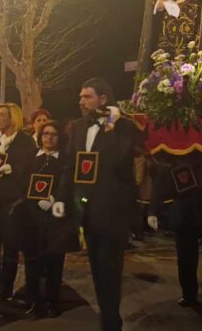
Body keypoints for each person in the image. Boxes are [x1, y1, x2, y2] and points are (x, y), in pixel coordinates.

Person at [68, 78, 137, 331]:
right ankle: (107, 316)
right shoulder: (76, 127)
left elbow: (118, 160)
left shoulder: (123, 127)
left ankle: (110, 321)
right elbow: (71, 166)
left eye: (87, 97)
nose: (81, 101)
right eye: (80, 97)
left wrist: (110, 126)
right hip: (87, 210)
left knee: (110, 268)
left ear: (103, 100)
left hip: (112, 210)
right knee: (97, 269)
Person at [148, 150, 202, 315]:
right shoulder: (170, 155)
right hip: (184, 213)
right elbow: (160, 182)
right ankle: (189, 294)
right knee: (186, 258)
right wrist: (152, 211)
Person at [15, 120, 77, 319]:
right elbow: (22, 183)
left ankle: (52, 301)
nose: (49, 138)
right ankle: (32, 300)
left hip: (56, 219)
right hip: (32, 217)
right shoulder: (31, 157)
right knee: (32, 260)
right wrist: (32, 199)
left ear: (60, 137)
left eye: (54, 134)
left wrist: (55, 199)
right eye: (45, 134)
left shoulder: (67, 160)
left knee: (54, 263)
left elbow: (71, 185)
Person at [0, 103, 36, 301]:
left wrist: (13, 168)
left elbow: (31, 166)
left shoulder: (25, 141)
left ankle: (6, 287)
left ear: (13, 118)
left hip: (13, 201)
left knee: (11, 245)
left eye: (3, 115)